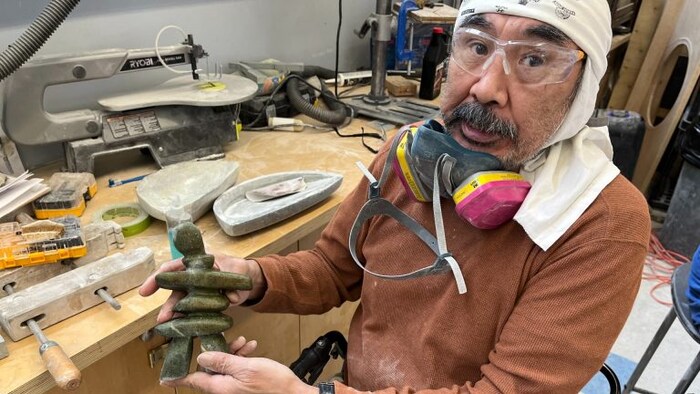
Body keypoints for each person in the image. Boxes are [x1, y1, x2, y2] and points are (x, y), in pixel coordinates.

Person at [139, 0, 651, 392]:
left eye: (534, 59)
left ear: (583, 87)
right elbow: (333, 268)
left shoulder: (601, 222)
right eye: (476, 47)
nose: (485, 87)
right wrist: (251, 278)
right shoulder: (409, 154)